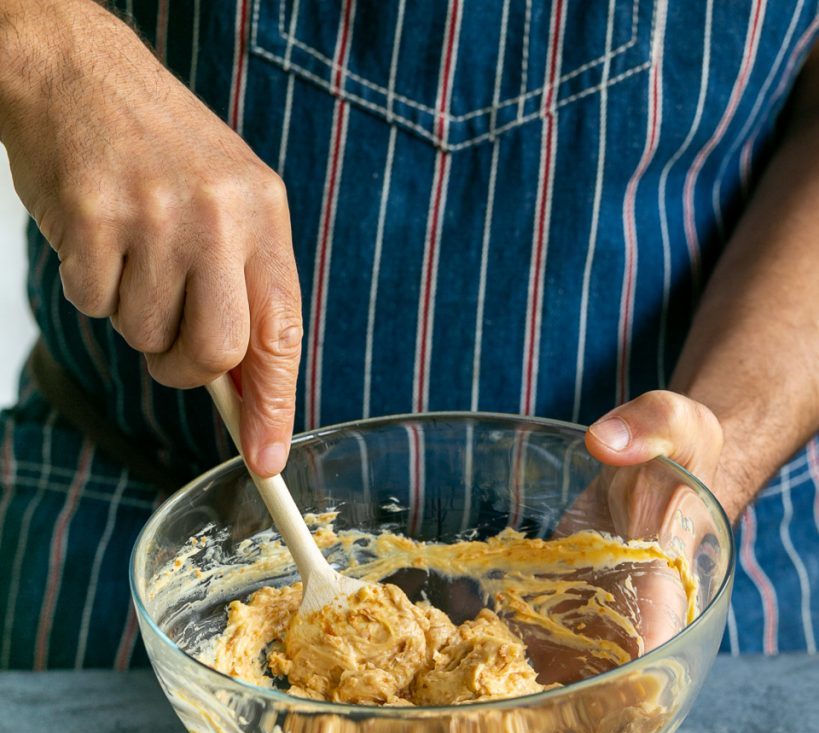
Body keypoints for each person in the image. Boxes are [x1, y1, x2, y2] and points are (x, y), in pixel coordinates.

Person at [0, 0, 816, 669]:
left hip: (689, 579)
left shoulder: (680, 540)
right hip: (130, 538)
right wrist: (47, 48)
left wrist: (701, 481)